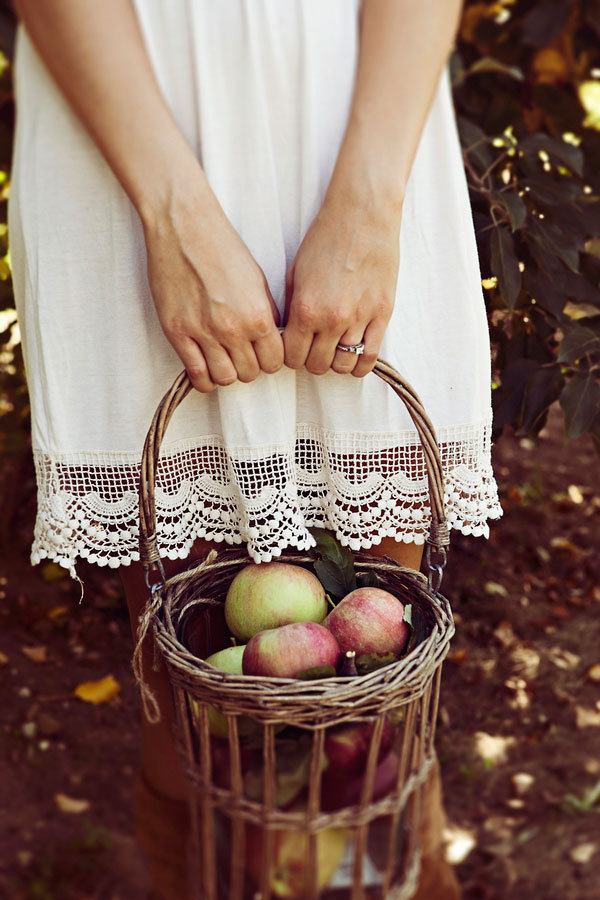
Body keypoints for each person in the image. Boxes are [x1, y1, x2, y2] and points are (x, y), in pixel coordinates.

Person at [9, 1, 502, 897]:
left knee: (379, 700)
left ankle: (388, 875)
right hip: (133, 120)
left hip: (353, 116)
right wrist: (173, 217)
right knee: (196, 694)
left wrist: (369, 201)